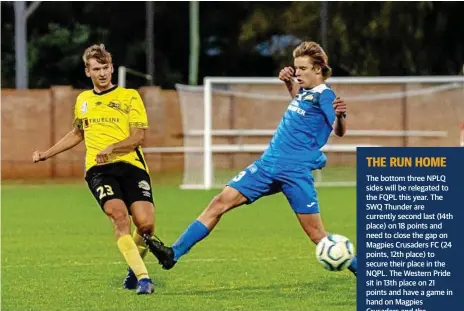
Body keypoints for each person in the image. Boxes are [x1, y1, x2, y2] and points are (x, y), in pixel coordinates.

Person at [144, 41, 357, 277]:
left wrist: (340, 116)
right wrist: (289, 83)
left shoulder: (326, 96)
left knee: (317, 235)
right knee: (219, 202)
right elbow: (300, 102)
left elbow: (338, 130)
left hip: (294, 171)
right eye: (296, 68)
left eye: (303, 69)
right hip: (267, 165)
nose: (297, 73)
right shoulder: (305, 91)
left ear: (318, 69)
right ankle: (173, 254)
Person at [32, 44, 156, 294]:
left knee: (146, 226)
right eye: (96, 69)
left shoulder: (130, 96)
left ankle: (134, 267)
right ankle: (144, 279)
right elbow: (78, 133)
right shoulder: (83, 101)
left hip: (131, 165)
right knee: (119, 217)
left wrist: (113, 147)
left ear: (111, 68)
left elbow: (137, 138)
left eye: (105, 68)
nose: (102, 73)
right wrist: (47, 154)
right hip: (99, 170)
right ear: (88, 72)